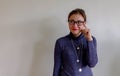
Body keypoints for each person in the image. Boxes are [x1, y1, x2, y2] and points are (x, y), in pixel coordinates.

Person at [53, 8, 98, 76]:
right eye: (71, 21)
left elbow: (92, 63)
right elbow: (57, 67)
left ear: (84, 23)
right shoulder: (60, 42)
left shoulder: (91, 40)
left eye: (79, 22)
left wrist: (89, 40)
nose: (75, 25)